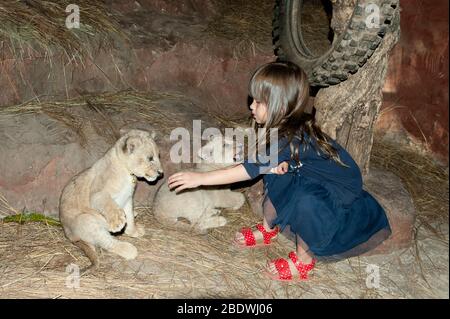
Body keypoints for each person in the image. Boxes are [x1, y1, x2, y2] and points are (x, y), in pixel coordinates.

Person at [168, 61, 391, 282]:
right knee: (274, 168)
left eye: (258, 102)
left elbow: (248, 170)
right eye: (252, 99)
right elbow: (261, 162)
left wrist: (200, 178)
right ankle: (268, 228)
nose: (251, 107)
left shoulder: (289, 137)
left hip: (340, 191)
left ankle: (304, 261)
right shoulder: (283, 127)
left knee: (306, 200)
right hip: (312, 175)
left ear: (280, 106)